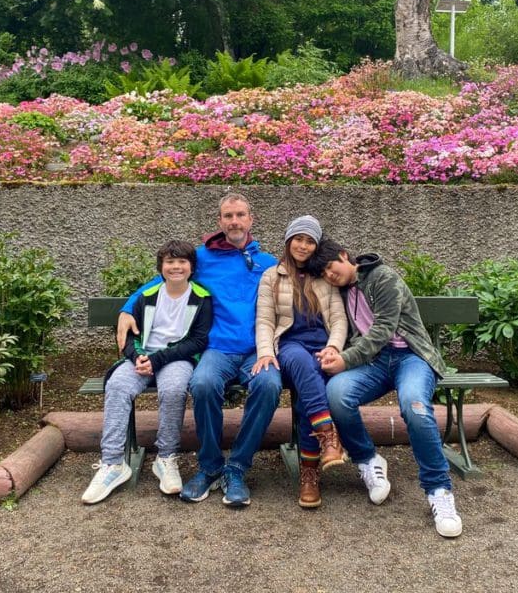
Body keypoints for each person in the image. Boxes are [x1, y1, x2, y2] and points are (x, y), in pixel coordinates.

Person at [117, 193, 280, 507]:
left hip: (257, 350)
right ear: (219, 221)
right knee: (202, 384)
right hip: (216, 349)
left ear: (251, 220)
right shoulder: (202, 258)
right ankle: (210, 466)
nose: (234, 221)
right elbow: (160, 279)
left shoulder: (268, 263)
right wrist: (126, 308)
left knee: (270, 385)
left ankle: (237, 468)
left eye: (240, 215)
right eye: (228, 216)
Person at [308, 239, 463, 538]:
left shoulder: (382, 277)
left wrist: (346, 359)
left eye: (330, 267)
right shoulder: (343, 292)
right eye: (323, 273)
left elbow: (383, 328)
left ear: (344, 256)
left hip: (412, 358)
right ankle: (368, 460)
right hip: (376, 363)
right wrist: (333, 352)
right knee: (337, 394)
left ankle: (439, 491)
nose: (329, 275)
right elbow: (351, 332)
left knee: (415, 407)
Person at [82, 240, 211, 504]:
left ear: (192, 267)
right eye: (170, 262)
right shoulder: (146, 295)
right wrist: (137, 356)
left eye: (182, 262)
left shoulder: (202, 298)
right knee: (117, 385)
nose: (176, 267)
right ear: (161, 267)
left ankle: (166, 458)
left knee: (174, 389)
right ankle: (113, 463)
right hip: (142, 358)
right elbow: (129, 337)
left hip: (177, 358)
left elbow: (197, 341)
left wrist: (158, 359)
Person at [253, 215, 348, 509]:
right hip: (291, 344)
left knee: (311, 389)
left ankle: (310, 473)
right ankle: (327, 437)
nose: (303, 246)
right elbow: (265, 320)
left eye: (310, 241)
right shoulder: (272, 275)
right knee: (303, 366)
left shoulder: (325, 276)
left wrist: (333, 348)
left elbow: (339, 319)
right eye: (299, 239)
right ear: (288, 241)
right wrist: (265, 352)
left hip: (322, 344)